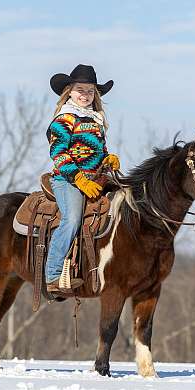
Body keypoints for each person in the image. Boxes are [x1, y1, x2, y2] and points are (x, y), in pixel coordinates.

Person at [45, 64, 120, 293]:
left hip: (97, 178)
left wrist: (108, 159)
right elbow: (58, 153)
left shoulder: (95, 120)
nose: (85, 95)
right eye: (80, 90)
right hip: (68, 180)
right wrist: (79, 179)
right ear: (69, 91)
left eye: (90, 91)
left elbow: (98, 150)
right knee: (73, 218)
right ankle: (53, 274)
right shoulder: (64, 119)